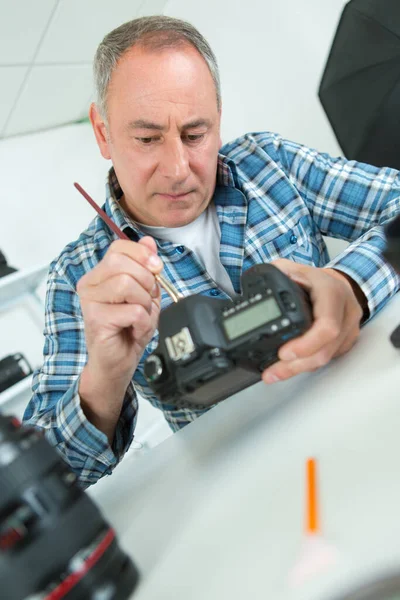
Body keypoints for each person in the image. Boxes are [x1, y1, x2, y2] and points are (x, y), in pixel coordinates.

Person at [23, 15, 400, 487]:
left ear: (219, 119)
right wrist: (106, 374)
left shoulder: (269, 163)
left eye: (195, 134)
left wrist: (349, 285)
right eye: (147, 138)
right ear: (103, 132)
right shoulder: (77, 277)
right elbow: (46, 480)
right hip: (252, 488)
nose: (179, 169)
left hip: (363, 417)